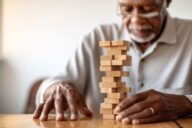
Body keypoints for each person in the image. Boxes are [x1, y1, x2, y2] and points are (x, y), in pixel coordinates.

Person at [33, 0, 192, 124]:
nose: (136, 20)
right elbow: (54, 84)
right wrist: (55, 89)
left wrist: (186, 102)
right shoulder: (98, 36)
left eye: (148, 9)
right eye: (127, 9)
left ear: (166, 3)